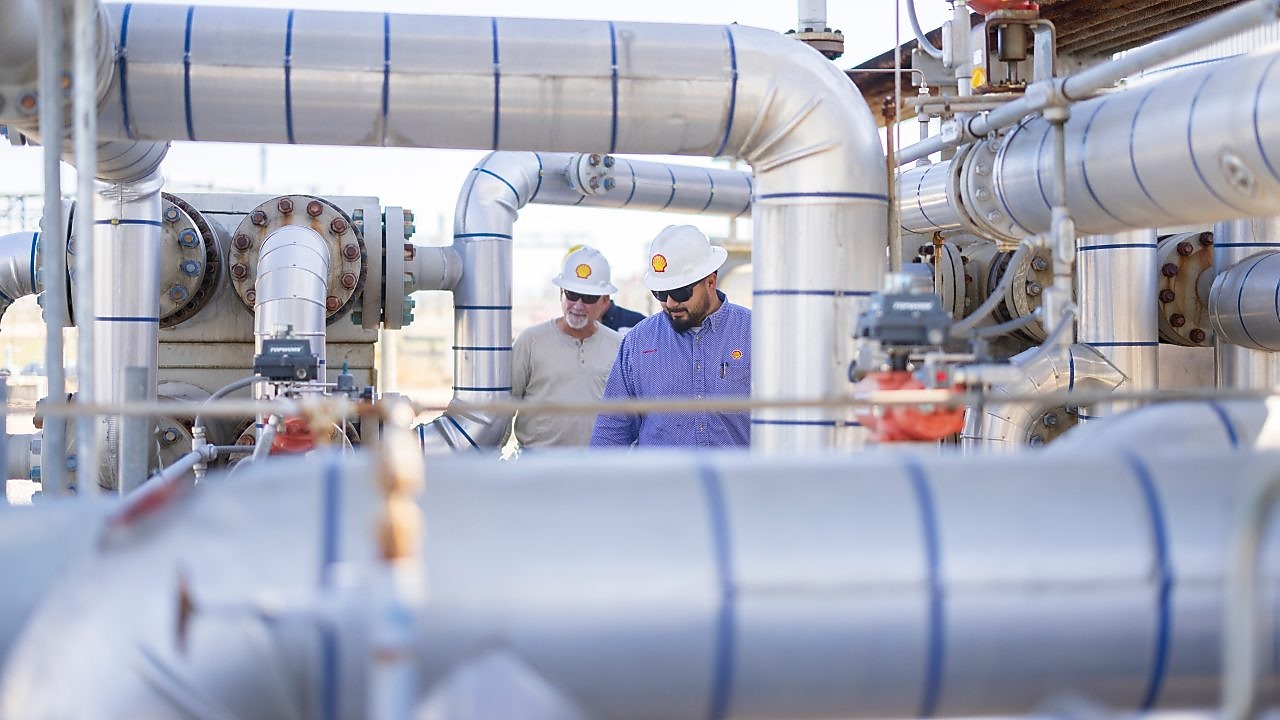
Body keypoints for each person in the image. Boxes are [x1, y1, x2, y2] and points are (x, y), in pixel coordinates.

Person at [590, 225, 751, 448]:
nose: (670, 303)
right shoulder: (637, 342)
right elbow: (611, 431)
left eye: (680, 292)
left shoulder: (755, 333)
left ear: (710, 282)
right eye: (661, 293)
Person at [510, 246, 622, 449]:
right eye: (571, 294)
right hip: (537, 464)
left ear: (605, 301)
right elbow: (503, 406)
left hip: (597, 464)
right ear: (561, 294)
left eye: (588, 298)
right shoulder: (530, 341)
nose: (578, 305)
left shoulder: (619, 347)